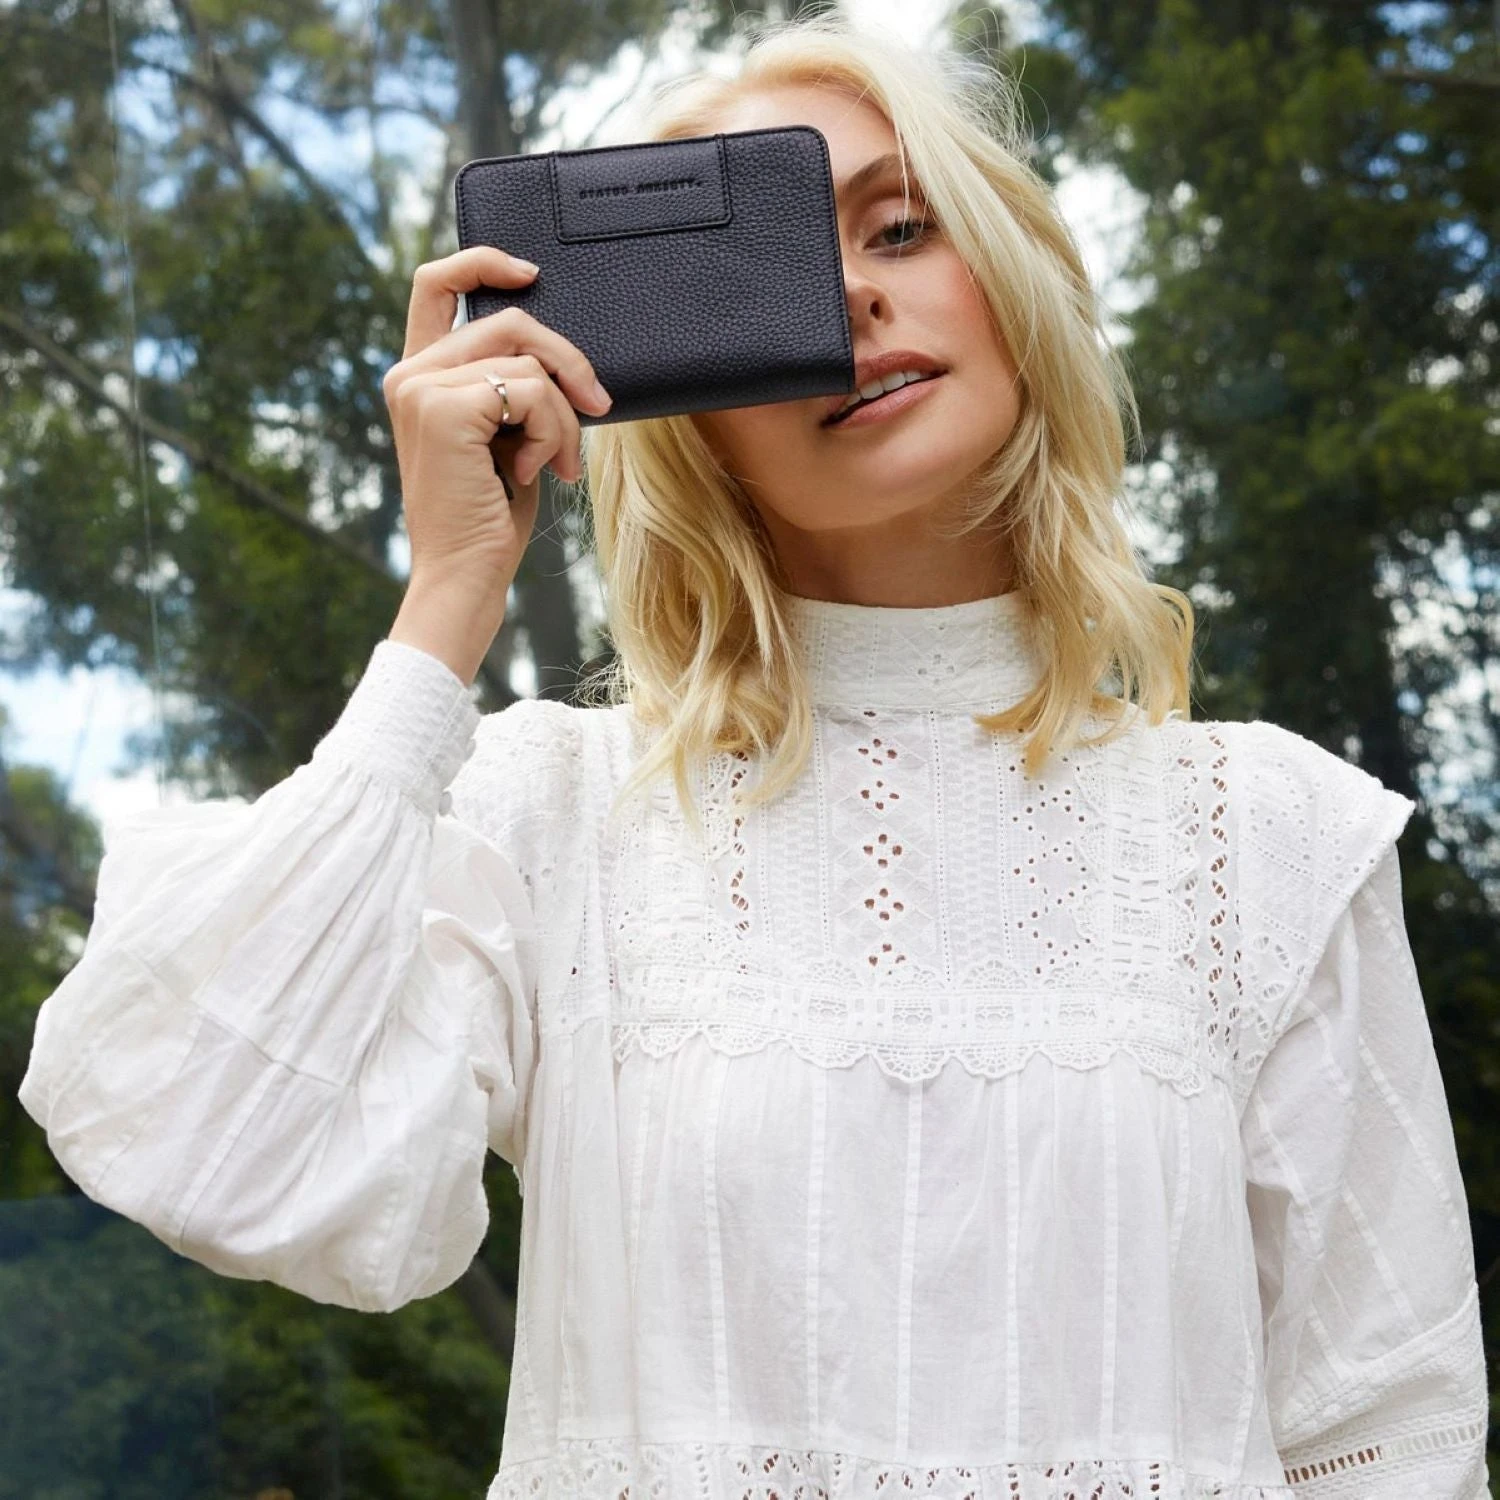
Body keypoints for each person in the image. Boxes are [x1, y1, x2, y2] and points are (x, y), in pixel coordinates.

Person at [18, 15, 1490, 1500]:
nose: (852, 292)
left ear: (1014, 281)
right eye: (759, 265)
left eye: (901, 226)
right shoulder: (552, 812)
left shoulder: (1267, 835)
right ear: (685, 406)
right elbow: (211, 1140)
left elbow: (1387, 1431)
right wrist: (447, 598)